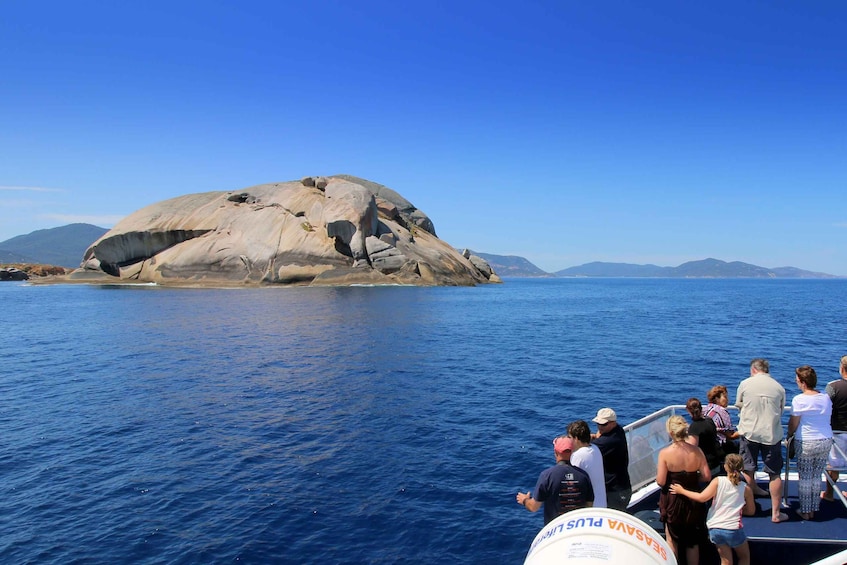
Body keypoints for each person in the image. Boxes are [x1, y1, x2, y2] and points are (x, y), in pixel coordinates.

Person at [670, 454, 756, 565]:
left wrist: (681, 491)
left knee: (726, 561)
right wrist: (737, 509)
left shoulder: (718, 481)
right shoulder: (746, 489)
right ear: (741, 468)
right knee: (744, 557)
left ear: (725, 467)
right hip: (733, 529)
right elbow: (751, 511)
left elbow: (701, 498)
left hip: (715, 528)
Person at [735, 357, 788, 523]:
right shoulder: (779, 388)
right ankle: (776, 513)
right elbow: (780, 411)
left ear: (753, 370)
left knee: (748, 468)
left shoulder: (745, 383)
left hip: (749, 431)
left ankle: (750, 506)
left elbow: (738, 403)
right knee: (774, 473)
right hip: (771, 434)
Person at [657, 415, 711, 565]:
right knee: (692, 542)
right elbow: (706, 476)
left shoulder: (665, 453)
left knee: (672, 539)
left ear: (670, 432)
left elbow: (661, 481)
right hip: (693, 498)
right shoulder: (697, 451)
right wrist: (691, 481)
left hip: (673, 499)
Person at [787, 365, 833, 520]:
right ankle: (814, 507)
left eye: (797, 380)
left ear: (803, 382)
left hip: (807, 441)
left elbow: (793, 423)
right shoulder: (826, 397)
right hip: (825, 440)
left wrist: (789, 435)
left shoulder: (799, 400)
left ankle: (806, 512)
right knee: (816, 476)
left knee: (805, 477)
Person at [516, 436, 594, 524]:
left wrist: (525, 500)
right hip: (578, 529)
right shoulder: (583, 476)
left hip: (556, 530)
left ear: (555, 452)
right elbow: (589, 506)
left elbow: (534, 507)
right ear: (572, 452)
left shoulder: (547, 476)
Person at [591, 407, 632, 511]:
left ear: (613, 423)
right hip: (619, 488)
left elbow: (587, 449)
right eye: (598, 424)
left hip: (615, 492)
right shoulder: (618, 430)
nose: (600, 427)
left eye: (603, 424)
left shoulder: (609, 441)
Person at [822, 355, 847, 502]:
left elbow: (825, 407)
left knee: (834, 465)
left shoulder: (833, 387)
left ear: (842, 368)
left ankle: (829, 494)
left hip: (837, 431)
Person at [568, 419, 607, 508]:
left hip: (590, 507)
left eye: (570, 437)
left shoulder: (578, 456)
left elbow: (572, 481)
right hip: (601, 503)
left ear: (576, 439)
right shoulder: (595, 448)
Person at [686, 397, 725, 471]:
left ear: (688, 410)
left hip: (705, 466)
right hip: (715, 463)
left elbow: (692, 449)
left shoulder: (694, 427)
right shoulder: (709, 420)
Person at [704, 385, 739, 453]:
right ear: (717, 398)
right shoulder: (722, 411)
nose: (727, 399)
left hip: (706, 444)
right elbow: (731, 436)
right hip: (719, 446)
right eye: (725, 397)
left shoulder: (705, 409)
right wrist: (745, 432)